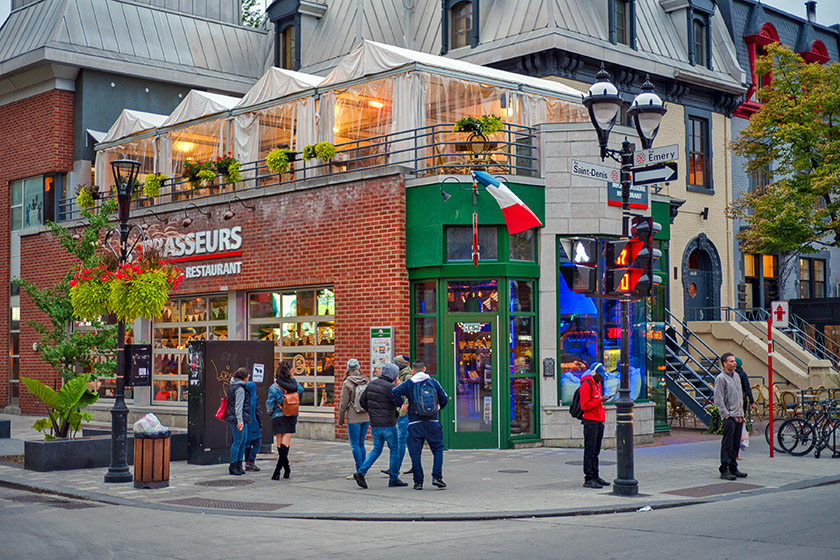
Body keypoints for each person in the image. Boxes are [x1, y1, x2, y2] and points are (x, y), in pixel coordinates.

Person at [391, 359, 449, 490]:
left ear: (413, 370)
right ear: (424, 369)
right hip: (433, 421)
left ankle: (418, 482)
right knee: (438, 449)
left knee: (415, 452)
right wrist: (437, 408)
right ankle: (437, 477)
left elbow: (395, 392)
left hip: (415, 422)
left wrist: (402, 405)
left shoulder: (409, 384)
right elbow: (444, 398)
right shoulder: (433, 382)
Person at [352, 363, 408, 489]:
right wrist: (399, 387)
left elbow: (362, 401)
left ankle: (361, 472)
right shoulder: (391, 387)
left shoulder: (372, 384)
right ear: (393, 374)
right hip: (388, 424)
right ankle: (393, 477)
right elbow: (400, 402)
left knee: (377, 449)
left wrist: (372, 412)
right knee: (394, 449)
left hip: (375, 423)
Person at [266, 361, 304, 480]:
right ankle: (286, 469)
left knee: (279, 443)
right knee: (286, 442)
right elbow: (301, 390)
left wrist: (270, 413)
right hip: (291, 414)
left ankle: (278, 471)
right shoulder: (295, 384)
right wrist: (293, 378)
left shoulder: (274, 387)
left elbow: (270, 404)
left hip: (278, 415)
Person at [714, 353, 747, 480]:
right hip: (729, 416)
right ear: (724, 364)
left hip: (738, 414)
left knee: (735, 443)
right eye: (731, 361)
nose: (734, 363)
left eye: (734, 361)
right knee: (727, 444)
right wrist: (726, 414)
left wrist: (742, 414)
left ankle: (733, 467)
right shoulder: (721, 378)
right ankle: (724, 469)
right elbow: (718, 398)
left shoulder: (737, 376)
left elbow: (739, 396)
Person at [580, 362, 610, 489]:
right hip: (590, 421)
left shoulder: (597, 384)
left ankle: (595, 476)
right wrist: (600, 400)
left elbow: (597, 404)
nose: (602, 377)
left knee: (596, 451)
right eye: (600, 375)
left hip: (598, 421)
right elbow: (585, 405)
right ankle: (588, 478)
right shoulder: (586, 386)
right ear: (594, 373)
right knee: (590, 451)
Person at [338, 358, 370, 476]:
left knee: (355, 444)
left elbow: (343, 402)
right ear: (358, 367)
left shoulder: (347, 382)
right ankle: (363, 470)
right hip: (366, 415)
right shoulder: (366, 380)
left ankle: (359, 471)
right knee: (361, 443)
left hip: (353, 416)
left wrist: (341, 418)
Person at [225, 367, 251, 476]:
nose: (249, 378)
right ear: (244, 377)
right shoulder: (240, 389)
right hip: (238, 419)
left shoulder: (234, 386)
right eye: (248, 376)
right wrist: (240, 420)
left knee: (242, 441)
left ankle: (238, 465)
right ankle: (234, 465)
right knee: (238, 441)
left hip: (237, 418)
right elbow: (238, 406)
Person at [393, 354, 412, 474]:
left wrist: (402, 410)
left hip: (405, 413)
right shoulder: (402, 376)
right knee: (409, 440)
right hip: (404, 412)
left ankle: (395, 468)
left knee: (400, 440)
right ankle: (415, 465)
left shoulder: (406, 377)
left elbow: (408, 395)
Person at [243, 377, 264, 472]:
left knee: (247, 443)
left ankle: (247, 461)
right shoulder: (254, 399)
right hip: (254, 423)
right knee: (257, 442)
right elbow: (258, 412)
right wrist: (260, 423)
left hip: (245, 423)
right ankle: (251, 461)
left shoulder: (244, 398)